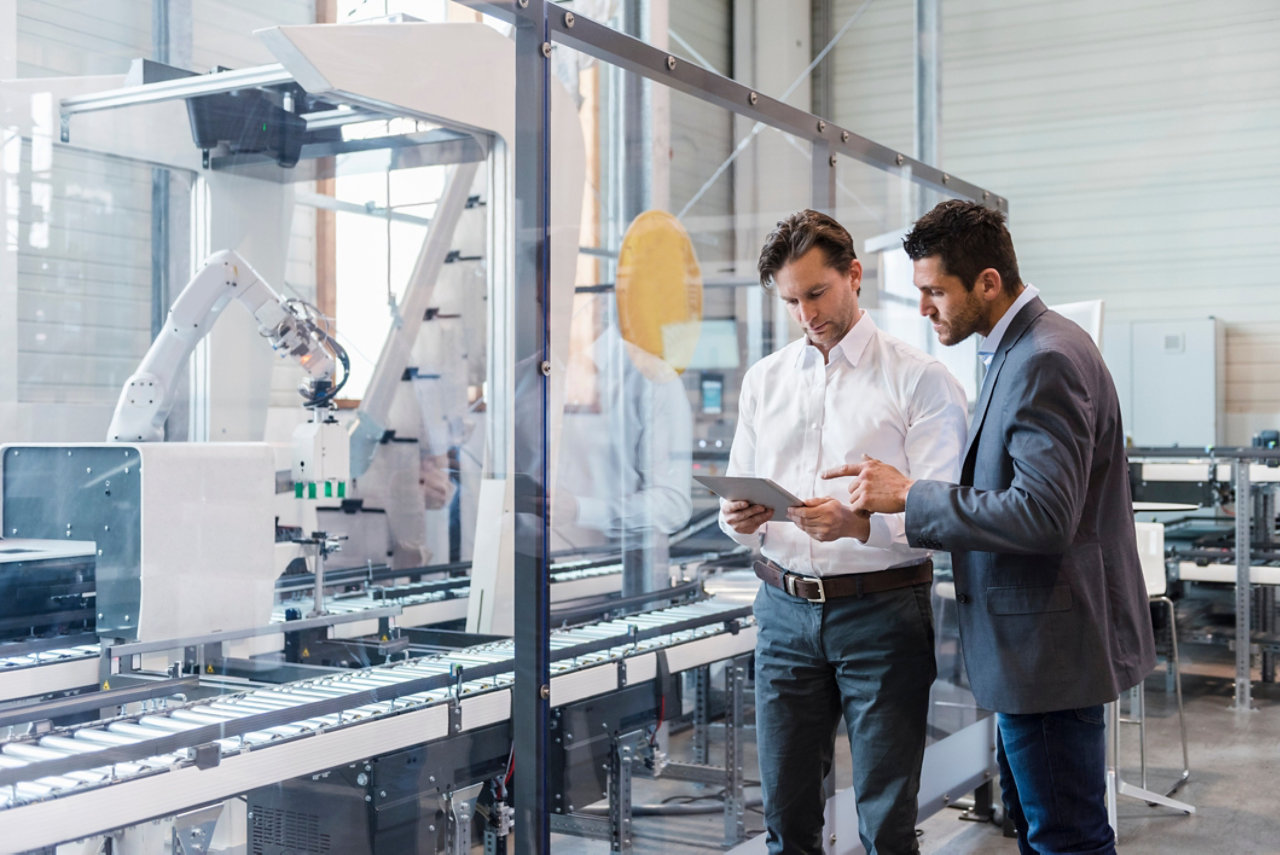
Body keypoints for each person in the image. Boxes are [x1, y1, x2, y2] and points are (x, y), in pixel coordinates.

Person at [830, 200, 1156, 855]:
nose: (925, 308)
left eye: (934, 291)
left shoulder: (1044, 359)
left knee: (1067, 836)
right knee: (1048, 828)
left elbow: (1043, 515)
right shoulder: (1028, 347)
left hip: (1047, 648)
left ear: (987, 281)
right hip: (1039, 646)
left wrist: (910, 495)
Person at [719, 209, 967, 855]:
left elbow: (944, 521)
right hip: (781, 610)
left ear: (853, 275)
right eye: (791, 300)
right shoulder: (765, 379)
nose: (806, 313)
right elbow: (738, 495)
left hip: (882, 614)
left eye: (817, 292)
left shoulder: (920, 378)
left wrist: (860, 524)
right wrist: (739, 518)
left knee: (886, 815)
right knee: (786, 809)